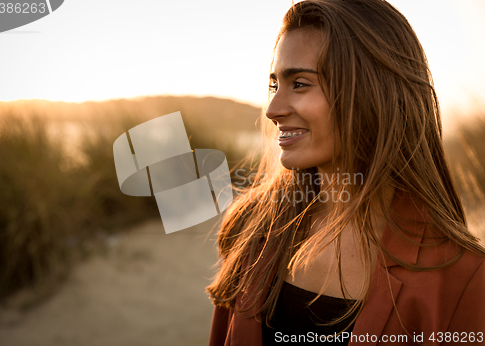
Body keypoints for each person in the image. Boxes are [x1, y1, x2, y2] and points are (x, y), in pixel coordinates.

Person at [206, 0, 485, 345]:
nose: (273, 109)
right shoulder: (249, 226)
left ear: (373, 92)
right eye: (275, 85)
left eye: (300, 84)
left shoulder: (464, 279)